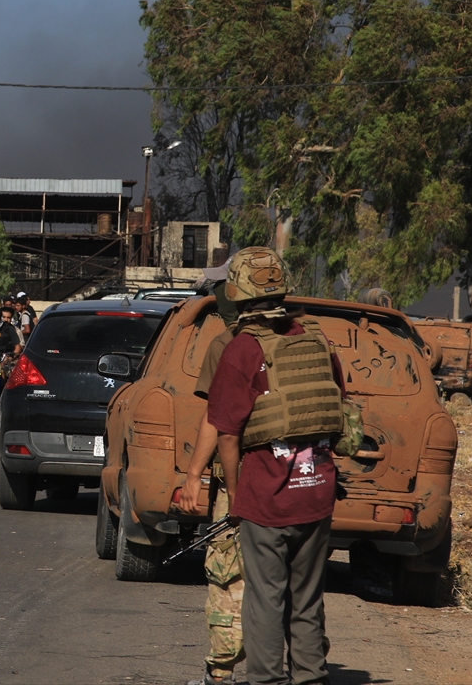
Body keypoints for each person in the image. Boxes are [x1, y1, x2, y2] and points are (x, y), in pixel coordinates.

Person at [208, 247, 346, 685]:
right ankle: (310, 676)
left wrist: (235, 495)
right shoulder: (317, 339)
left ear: (237, 291)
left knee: (265, 600)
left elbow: (227, 433)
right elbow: (339, 406)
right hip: (318, 491)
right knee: (306, 601)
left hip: (266, 498)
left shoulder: (242, 350)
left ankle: (266, 681)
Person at [177, 261, 244, 685]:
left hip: (240, 482)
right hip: (301, 482)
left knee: (227, 578)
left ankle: (221, 675)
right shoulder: (312, 339)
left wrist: (195, 475)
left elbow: (219, 421)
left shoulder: (229, 345)